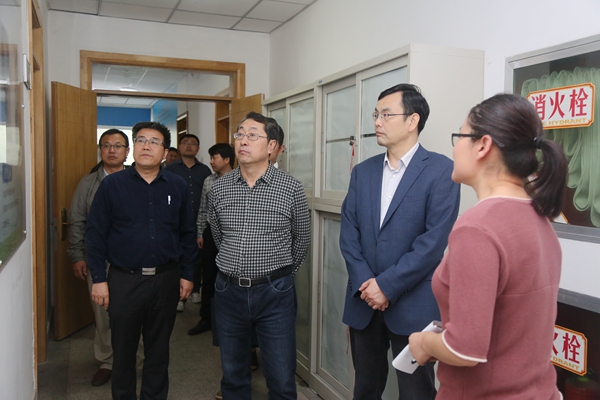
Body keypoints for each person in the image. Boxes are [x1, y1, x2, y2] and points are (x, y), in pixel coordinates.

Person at [409, 94, 567, 399]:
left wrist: (423, 343)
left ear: (482, 145)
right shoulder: (540, 218)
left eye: (460, 137)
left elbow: (465, 349)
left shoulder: (477, 227)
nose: (455, 148)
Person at [340, 83, 460, 399]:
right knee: (365, 388)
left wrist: (387, 286)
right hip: (364, 301)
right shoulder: (363, 172)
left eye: (386, 114)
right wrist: (368, 285)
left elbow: (432, 243)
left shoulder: (441, 170)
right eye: (375, 115)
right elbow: (349, 234)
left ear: (412, 120)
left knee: (416, 392)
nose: (377, 122)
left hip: (413, 303)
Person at [85, 121, 197, 400]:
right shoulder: (112, 185)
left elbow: (187, 233)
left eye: (154, 141)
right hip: (124, 280)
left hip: (166, 279)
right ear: (133, 148)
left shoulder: (177, 186)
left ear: (165, 152)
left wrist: (187, 275)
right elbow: (95, 234)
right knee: (123, 352)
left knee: (158, 352)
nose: (147, 146)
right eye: (141, 140)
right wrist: (98, 278)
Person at [208, 112, 310, 399]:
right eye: (240, 134)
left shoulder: (290, 187)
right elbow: (218, 236)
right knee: (233, 374)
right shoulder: (219, 188)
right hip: (228, 290)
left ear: (271, 146)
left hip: (274, 292)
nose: (243, 141)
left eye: (252, 135)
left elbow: (301, 239)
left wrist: (280, 276)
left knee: (281, 376)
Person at [67, 128, 143, 387]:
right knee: (103, 313)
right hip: (99, 259)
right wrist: (78, 255)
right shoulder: (88, 183)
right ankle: (107, 361)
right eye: (106, 145)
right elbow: (77, 220)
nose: (112, 150)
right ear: (100, 150)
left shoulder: (138, 180)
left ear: (127, 151)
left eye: (118, 146)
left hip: (134, 261)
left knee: (134, 312)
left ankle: (136, 359)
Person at [188, 143, 235, 336]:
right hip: (209, 234)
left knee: (231, 278)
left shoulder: (240, 179)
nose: (211, 162)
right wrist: (200, 233)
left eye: (214, 157)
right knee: (208, 277)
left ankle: (230, 321)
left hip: (232, 233)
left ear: (227, 159)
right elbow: (203, 209)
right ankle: (206, 318)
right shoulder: (209, 180)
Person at [165, 134, 211, 310]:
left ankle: (196, 289)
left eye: (193, 143)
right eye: (185, 143)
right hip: (176, 221)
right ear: (179, 146)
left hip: (199, 220)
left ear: (198, 148)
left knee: (197, 257)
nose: (189, 146)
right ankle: (178, 296)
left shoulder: (205, 170)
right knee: (177, 257)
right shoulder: (170, 169)